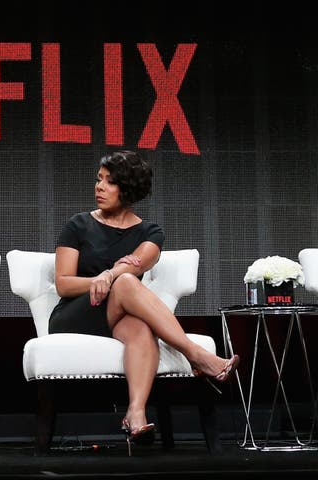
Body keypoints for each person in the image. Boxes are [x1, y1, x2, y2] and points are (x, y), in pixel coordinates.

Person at [48, 150, 239, 451]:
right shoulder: (78, 225)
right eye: (99, 180)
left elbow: (139, 262)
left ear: (128, 188)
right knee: (124, 281)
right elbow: (63, 283)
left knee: (139, 326)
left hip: (119, 316)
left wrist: (109, 276)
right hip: (75, 316)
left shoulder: (150, 232)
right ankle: (196, 355)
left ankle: (135, 413)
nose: (99, 187)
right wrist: (103, 280)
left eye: (109, 182)